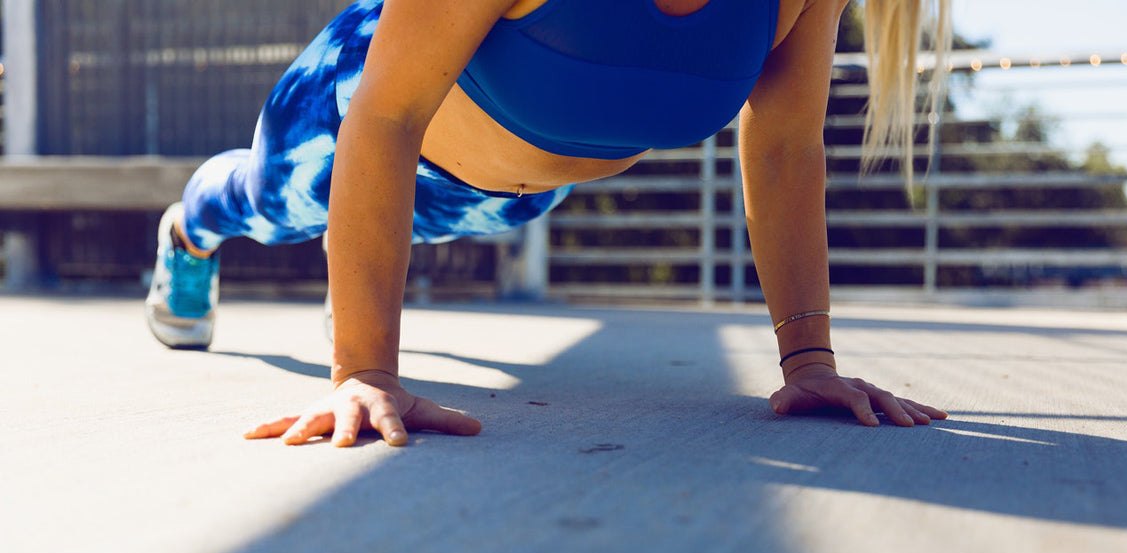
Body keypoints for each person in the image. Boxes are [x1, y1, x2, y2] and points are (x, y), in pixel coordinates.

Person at [145, 0, 951, 448]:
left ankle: (352, 269)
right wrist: (367, 371)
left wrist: (809, 359)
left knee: (386, 234)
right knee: (261, 203)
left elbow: (781, 148)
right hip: (349, 118)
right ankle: (187, 235)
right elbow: (385, 117)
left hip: (508, 198)